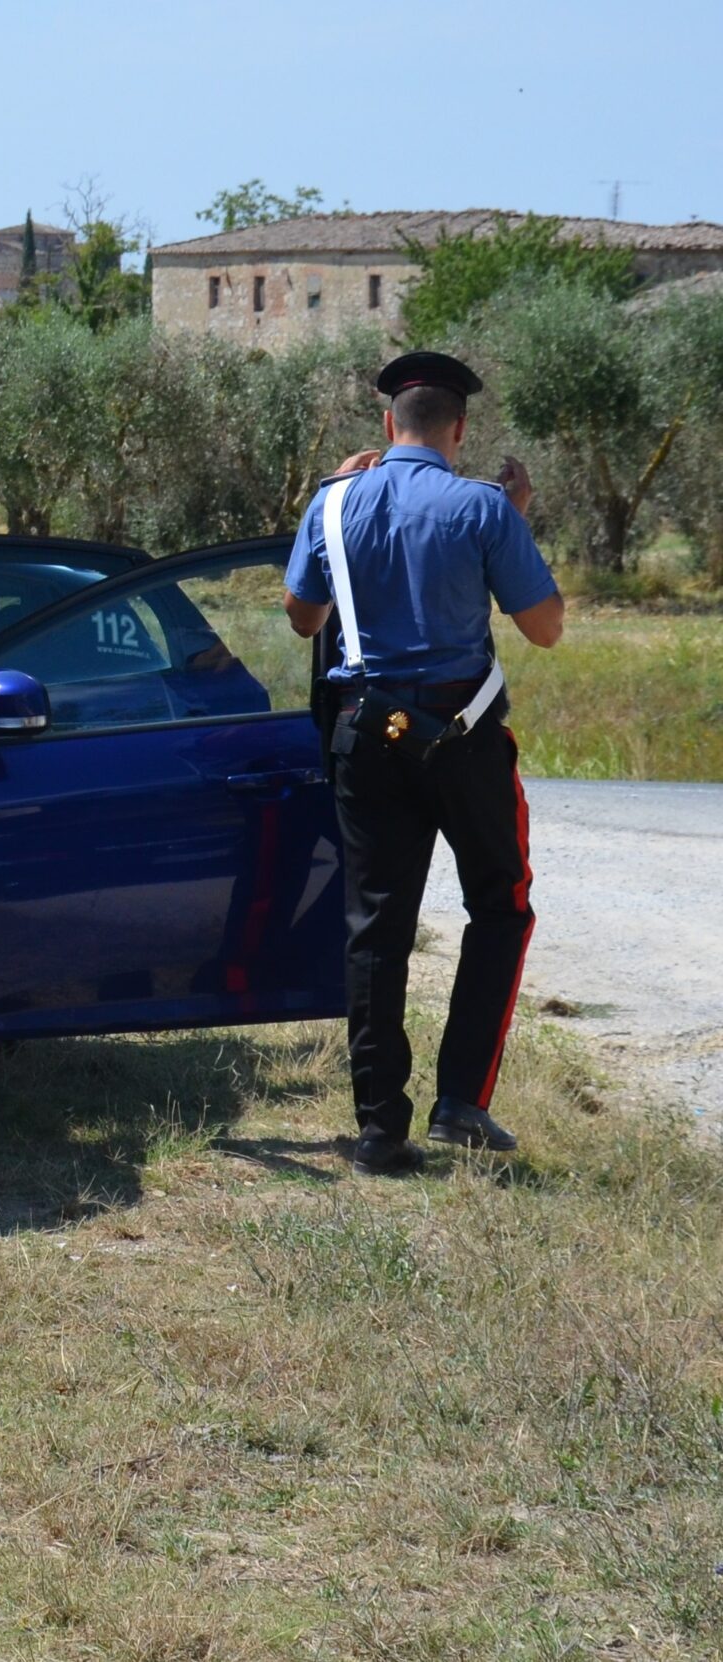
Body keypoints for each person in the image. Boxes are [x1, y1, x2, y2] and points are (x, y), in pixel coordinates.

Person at [282, 350, 564, 1176]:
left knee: (376, 930)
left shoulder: (332, 505)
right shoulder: (484, 508)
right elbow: (544, 628)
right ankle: (462, 1102)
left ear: (387, 425)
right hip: (464, 737)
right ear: (459, 429)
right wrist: (509, 523)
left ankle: (377, 1130)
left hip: (367, 734)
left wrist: (332, 504)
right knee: (501, 908)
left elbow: (303, 619)